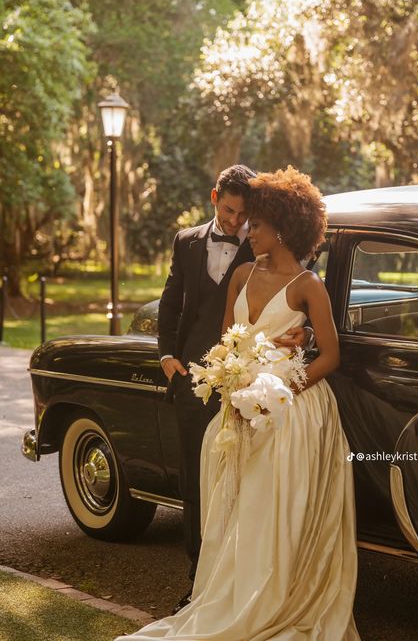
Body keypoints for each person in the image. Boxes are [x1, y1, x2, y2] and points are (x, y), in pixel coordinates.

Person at [116, 165, 360, 640]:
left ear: (282, 230)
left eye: (257, 225)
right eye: (243, 221)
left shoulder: (309, 286)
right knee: (230, 500)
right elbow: (228, 339)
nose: (247, 231)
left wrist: (281, 388)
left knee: (277, 507)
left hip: (291, 410)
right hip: (238, 404)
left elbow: (330, 355)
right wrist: (230, 379)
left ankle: (278, 594)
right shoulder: (242, 273)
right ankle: (222, 589)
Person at [157, 164, 309, 612]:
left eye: (243, 215)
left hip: (248, 385)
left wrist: (306, 335)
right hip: (193, 382)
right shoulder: (186, 242)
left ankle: (240, 581)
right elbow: (171, 298)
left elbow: (302, 284)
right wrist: (167, 356)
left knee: (241, 483)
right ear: (213, 198)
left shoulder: (266, 244)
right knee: (195, 484)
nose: (235, 222)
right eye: (228, 211)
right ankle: (197, 580)